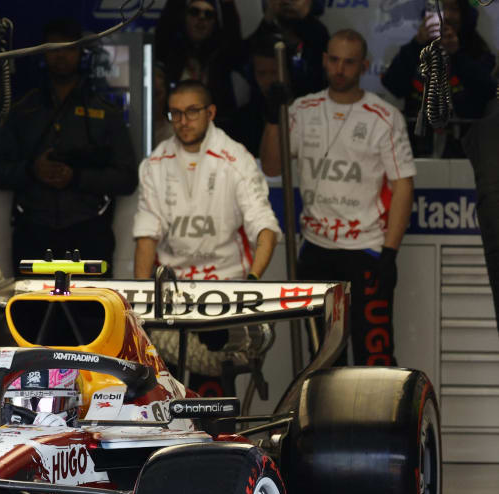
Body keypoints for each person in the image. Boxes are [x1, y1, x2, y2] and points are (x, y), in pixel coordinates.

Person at [261, 29, 416, 366]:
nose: (340, 69)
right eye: (334, 60)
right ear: (324, 60)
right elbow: (273, 167)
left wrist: (389, 252)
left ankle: (376, 419)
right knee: (321, 358)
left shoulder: (384, 117)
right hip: (316, 249)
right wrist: (274, 118)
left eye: (349, 62)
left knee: (374, 351)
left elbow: (403, 184)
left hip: (366, 250)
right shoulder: (302, 109)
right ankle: (324, 421)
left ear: (364, 65)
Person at [0, 17, 138, 270]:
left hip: (88, 230)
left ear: (80, 53)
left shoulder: (105, 112)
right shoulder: (23, 110)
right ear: (43, 54)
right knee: (32, 309)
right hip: (33, 230)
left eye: (69, 48)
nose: (61, 56)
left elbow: (127, 179)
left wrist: (77, 177)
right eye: (53, 49)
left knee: (91, 309)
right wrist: (32, 171)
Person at [134, 80, 280, 282]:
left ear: (210, 113)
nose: (183, 121)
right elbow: (146, 234)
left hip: (230, 281)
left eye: (192, 111)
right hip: (171, 282)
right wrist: (142, 295)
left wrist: (252, 281)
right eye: (175, 113)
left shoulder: (237, 159)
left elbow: (264, 226)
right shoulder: (154, 164)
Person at [382, 0, 496, 158]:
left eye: (454, 9)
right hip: (416, 149)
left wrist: (457, 55)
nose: (447, 16)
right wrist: (417, 45)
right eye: (440, 9)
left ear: (465, 15)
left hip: (467, 152)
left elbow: (488, 92)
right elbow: (393, 85)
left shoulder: (478, 51)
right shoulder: (417, 50)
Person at [154, 0, 246, 121]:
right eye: (194, 12)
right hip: (175, 125)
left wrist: (226, 4)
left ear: (215, 22)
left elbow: (233, 36)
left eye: (208, 15)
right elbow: (165, 27)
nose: (201, 17)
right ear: (184, 17)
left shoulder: (222, 56)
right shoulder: (171, 52)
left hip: (215, 129)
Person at [246, 0, 329, 100]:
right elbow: (237, 57)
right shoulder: (262, 33)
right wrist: (269, 15)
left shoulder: (317, 34)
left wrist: (304, 14)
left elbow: (319, 43)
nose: (287, 2)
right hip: (263, 109)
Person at [220, 36, 280, 157]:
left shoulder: (305, 111)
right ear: (253, 74)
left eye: (274, 72)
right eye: (262, 73)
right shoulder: (243, 120)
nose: (268, 80)